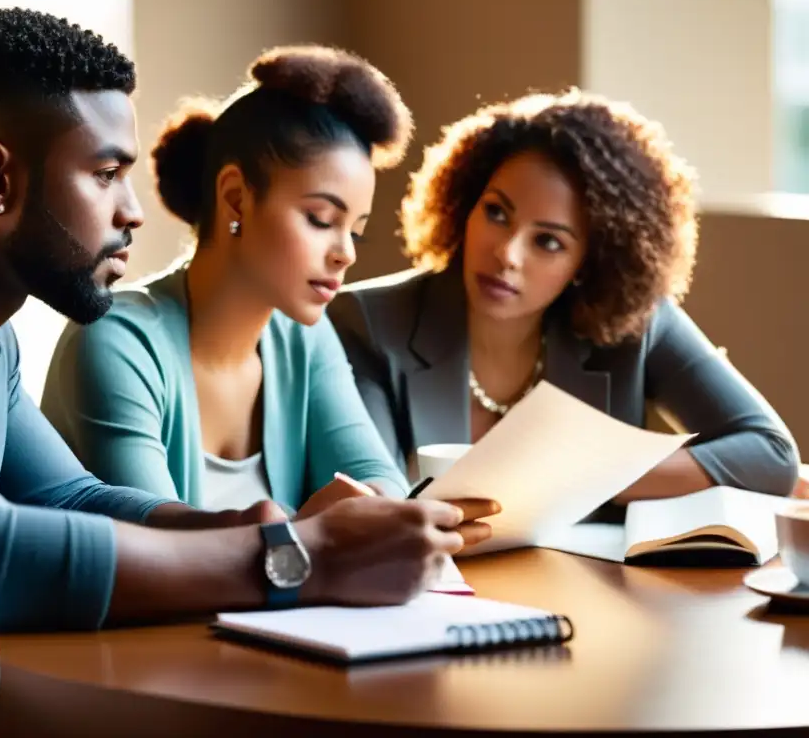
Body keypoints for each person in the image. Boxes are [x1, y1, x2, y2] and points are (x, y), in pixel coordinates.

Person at [0, 9, 497, 635]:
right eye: (104, 174)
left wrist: (259, 527)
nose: (133, 211)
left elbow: (72, 497)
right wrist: (301, 559)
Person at [329, 89, 801, 511]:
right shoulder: (365, 323)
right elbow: (379, 498)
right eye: (496, 213)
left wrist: (574, 477)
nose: (507, 254)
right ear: (464, 204)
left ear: (591, 261)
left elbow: (770, 455)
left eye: (548, 241)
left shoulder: (634, 323)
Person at [40, 45, 422, 517]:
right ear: (236, 198)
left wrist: (370, 506)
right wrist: (311, 530)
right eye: (321, 219)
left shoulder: (305, 338)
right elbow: (163, 550)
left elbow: (381, 483)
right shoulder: (115, 343)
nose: (345, 252)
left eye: (356, 231)